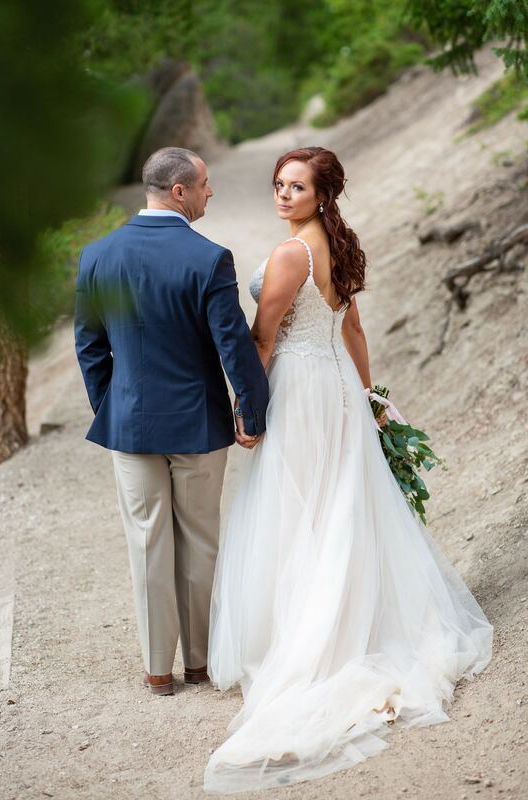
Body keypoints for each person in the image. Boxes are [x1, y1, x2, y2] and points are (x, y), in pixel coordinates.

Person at [205, 147, 493, 792]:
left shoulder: (289, 255)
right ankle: (356, 615)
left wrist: (245, 407)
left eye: (297, 187)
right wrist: (368, 398)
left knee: (300, 506)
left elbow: (262, 338)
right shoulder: (337, 244)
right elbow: (353, 327)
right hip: (335, 386)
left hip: (303, 391)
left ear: (322, 194)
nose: (283, 195)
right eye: (279, 184)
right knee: (340, 501)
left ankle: (312, 636)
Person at [74, 146, 269, 697]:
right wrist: (251, 412)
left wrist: (113, 408)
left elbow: (89, 349)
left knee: (146, 540)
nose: (211, 192)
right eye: (205, 184)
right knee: (200, 540)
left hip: (130, 426)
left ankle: (158, 667)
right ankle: (200, 663)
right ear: (179, 191)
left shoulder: (97, 256)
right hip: (198, 424)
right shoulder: (209, 259)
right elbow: (233, 348)